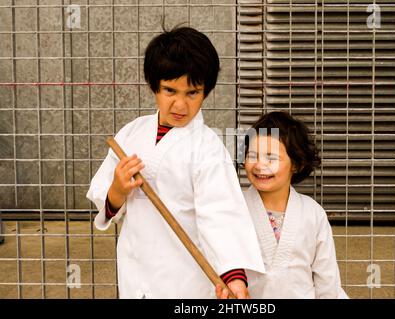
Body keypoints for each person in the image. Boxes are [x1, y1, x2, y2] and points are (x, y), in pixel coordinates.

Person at [86, 26, 265, 299]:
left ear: (206, 92)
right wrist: (117, 192)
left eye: (192, 93)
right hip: (136, 267)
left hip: (186, 277)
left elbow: (221, 213)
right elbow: (104, 197)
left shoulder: (208, 148)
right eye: (170, 90)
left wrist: (234, 277)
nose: (180, 105)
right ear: (153, 86)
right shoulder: (131, 134)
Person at [216, 111, 348, 299]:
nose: (260, 165)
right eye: (252, 155)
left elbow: (327, 280)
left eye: (271, 158)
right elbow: (222, 261)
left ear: (296, 164)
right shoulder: (235, 209)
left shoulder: (313, 214)